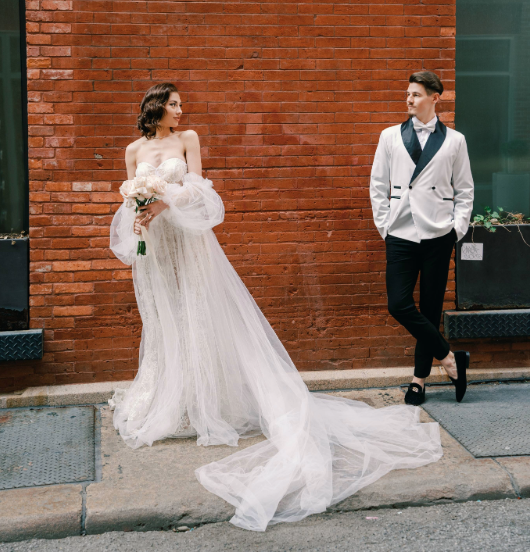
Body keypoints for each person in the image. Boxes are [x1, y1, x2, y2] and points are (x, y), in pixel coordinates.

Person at [110, 82, 443, 533]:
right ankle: (174, 398)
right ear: (156, 107)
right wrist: (142, 210)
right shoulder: (133, 150)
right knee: (167, 320)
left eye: (181, 104)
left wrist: (166, 198)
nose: (181, 110)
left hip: (190, 243)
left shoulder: (187, 141)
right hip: (159, 246)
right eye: (174, 104)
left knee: (200, 317)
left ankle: (210, 403)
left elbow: (200, 190)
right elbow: (128, 201)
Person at [370, 71, 474, 407]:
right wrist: (384, 225)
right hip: (400, 232)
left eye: (415, 94)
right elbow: (377, 185)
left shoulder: (455, 141)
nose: (409, 99)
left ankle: (419, 380)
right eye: (408, 94)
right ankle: (449, 359)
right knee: (398, 304)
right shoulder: (390, 137)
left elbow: (465, 189)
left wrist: (457, 228)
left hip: (438, 233)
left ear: (434, 97)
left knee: (429, 309)